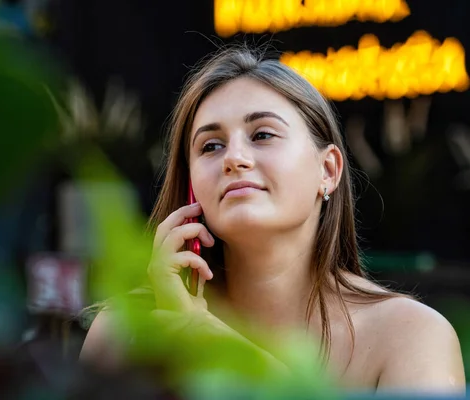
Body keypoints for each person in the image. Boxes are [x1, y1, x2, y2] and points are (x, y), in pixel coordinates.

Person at [80, 46, 466, 394]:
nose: (234, 158)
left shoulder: (412, 337)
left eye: (262, 135)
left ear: (328, 170)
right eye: (210, 146)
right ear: (192, 185)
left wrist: (212, 338)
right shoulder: (123, 334)